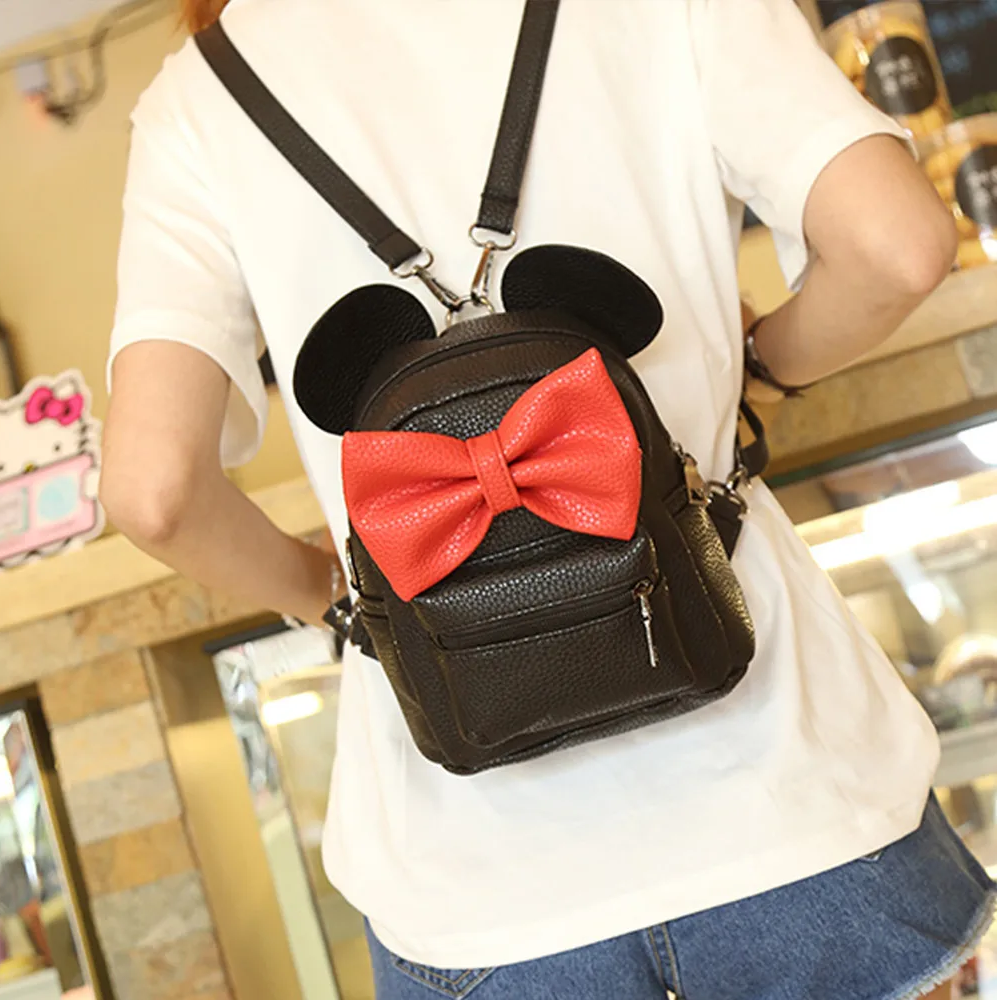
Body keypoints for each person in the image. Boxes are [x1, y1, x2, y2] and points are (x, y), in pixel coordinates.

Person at [101, 1, 991, 997]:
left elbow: (152, 492)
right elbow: (898, 245)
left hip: (476, 889)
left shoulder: (199, 98)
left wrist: (331, 598)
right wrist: (763, 364)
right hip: (798, 804)